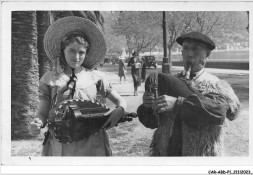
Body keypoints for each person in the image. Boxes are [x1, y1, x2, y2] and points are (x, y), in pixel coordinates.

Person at [29, 16, 127, 156]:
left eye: (81, 52)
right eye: (72, 51)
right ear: (63, 50)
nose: (76, 57)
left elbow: (121, 101)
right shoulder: (50, 79)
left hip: (93, 143)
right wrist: (37, 123)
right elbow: (43, 113)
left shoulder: (96, 78)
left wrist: (120, 109)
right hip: (61, 145)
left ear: (86, 53)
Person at [137, 32, 241, 156]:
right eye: (185, 48)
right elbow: (152, 123)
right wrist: (148, 107)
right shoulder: (169, 82)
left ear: (207, 54)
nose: (189, 54)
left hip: (200, 156)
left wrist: (177, 103)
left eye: (195, 49)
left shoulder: (216, 84)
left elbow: (222, 113)